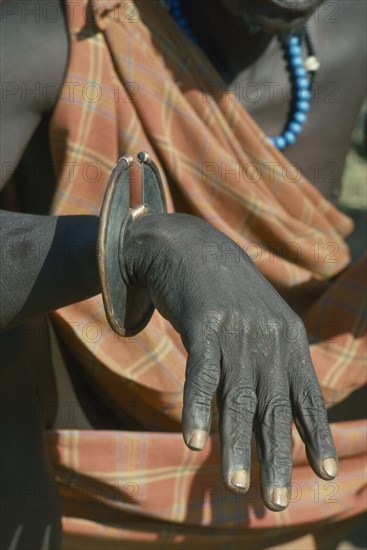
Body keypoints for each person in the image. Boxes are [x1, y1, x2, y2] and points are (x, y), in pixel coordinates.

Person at [0, 0, 366, 548]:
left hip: (318, 500)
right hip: (79, 512)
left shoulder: (349, 28)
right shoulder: (54, 32)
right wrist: (133, 243)